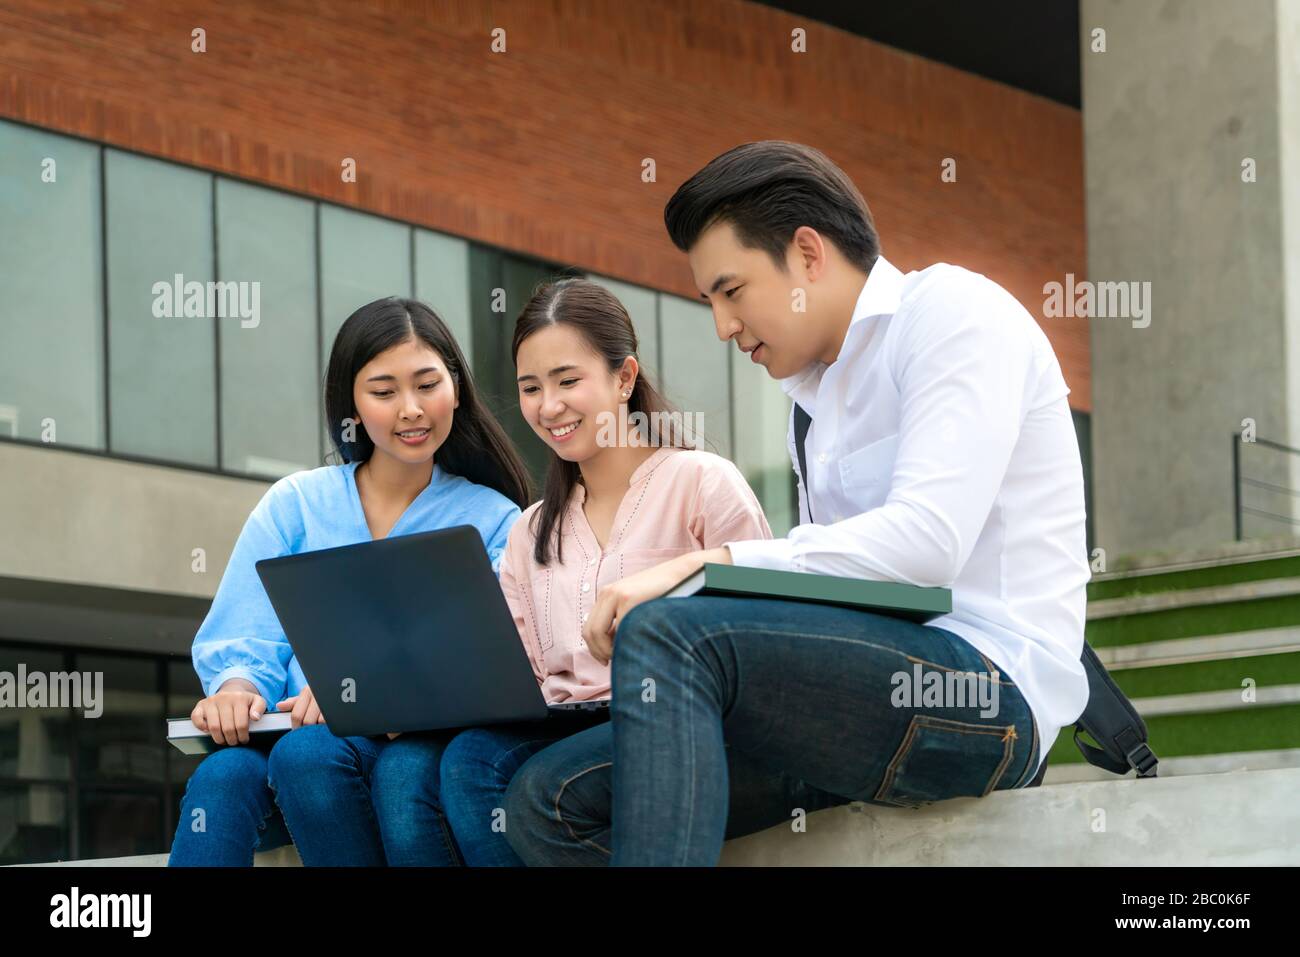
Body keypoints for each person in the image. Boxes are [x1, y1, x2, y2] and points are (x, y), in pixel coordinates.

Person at [503, 140, 1090, 866]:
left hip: (983, 697)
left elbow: (927, 546)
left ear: (808, 255)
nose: (722, 325)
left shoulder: (956, 317)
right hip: (863, 697)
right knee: (545, 800)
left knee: (673, 628)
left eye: (731, 290)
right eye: (710, 301)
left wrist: (702, 564)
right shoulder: (809, 404)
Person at [378, 277, 772, 865]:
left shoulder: (701, 482)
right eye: (530, 388)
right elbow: (514, 671)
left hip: (672, 720)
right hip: (560, 723)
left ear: (624, 377)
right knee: (441, 765)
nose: (548, 406)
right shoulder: (531, 530)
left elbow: (762, 631)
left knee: (478, 770)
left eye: (568, 381)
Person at [168, 296, 529, 866]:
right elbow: (246, 630)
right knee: (222, 777)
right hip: (283, 737)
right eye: (384, 392)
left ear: (456, 388)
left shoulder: (494, 520)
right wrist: (236, 690)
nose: (410, 409)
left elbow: (483, 655)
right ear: (352, 406)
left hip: (392, 746)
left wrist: (364, 687)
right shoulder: (295, 504)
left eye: (427, 384)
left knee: (309, 754)